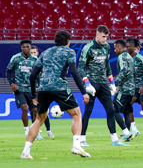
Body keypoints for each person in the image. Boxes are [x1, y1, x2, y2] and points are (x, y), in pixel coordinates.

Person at [23, 30, 95, 159]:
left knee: (39, 119)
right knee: (77, 114)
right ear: (68, 41)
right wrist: (84, 92)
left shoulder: (45, 52)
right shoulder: (69, 52)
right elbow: (74, 71)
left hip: (43, 89)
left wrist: (34, 94)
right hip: (59, 87)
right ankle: (77, 145)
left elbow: (33, 74)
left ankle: (26, 151)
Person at [78, 25, 121, 148]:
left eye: (106, 37)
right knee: (88, 111)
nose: (105, 39)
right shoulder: (88, 48)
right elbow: (80, 68)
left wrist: (111, 82)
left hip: (104, 83)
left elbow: (107, 65)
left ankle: (114, 139)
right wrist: (87, 83)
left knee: (111, 110)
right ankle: (82, 139)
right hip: (92, 83)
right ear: (97, 35)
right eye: (103, 37)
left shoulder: (106, 47)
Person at [7, 39, 42, 139]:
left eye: (28, 47)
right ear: (21, 48)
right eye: (24, 47)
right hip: (19, 89)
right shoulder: (16, 58)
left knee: (35, 110)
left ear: (30, 48)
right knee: (24, 108)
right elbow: (8, 71)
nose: (26, 49)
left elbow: (39, 75)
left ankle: (35, 131)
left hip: (32, 89)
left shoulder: (35, 60)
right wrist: (12, 84)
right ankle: (27, 131)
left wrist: (39, 88)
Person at [111, 39, 134, 138]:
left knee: (113, 109)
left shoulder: (121, 57)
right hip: (131, 89)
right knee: (126, 111)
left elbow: (124, 70)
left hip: (124, 89)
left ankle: (126, 132)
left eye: (115, 49)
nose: (115, 51)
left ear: (120, 48)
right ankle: (127, 134)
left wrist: (116, 83)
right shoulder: (129, 56)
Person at [31, 45, 54, 138]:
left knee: (43, 111)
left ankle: (48, 130)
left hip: (42, 90)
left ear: (38, 53)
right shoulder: (28, 64)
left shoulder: (43, 63)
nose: (33, 54)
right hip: (32, 91)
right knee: (34, 111)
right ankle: (36, 133)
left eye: (34, 52)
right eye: (31, 52)